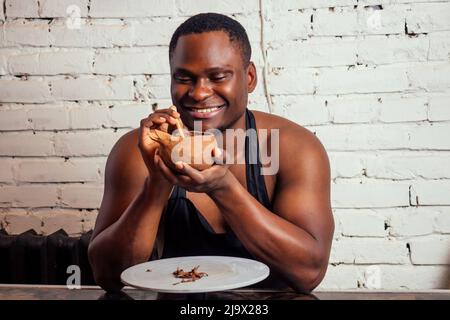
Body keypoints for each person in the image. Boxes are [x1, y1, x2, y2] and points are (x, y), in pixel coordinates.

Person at [88, 13, 334, 293]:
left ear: (249, 77)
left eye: (217, 76)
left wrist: (223, 187)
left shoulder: (294, 148)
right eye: (184, 78)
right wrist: (156, 184)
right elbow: (107, 275)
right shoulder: (139, 150)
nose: (199, 93)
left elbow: (309, 272)